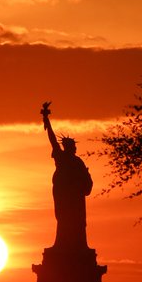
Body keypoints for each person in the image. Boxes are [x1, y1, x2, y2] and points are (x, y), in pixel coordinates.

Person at [41, 102, 92, 249]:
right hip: (63, 194)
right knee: (63, 219)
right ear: (68, 147)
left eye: (75, 146)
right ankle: (63, 243)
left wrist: (84, 183)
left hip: (75, 196)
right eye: (73, 146)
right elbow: (52, 139)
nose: (75, 148)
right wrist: (46, 120)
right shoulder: (61, 157)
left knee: (76, 220)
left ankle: (77, 245)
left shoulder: (78, 162)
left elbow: (86, 180)